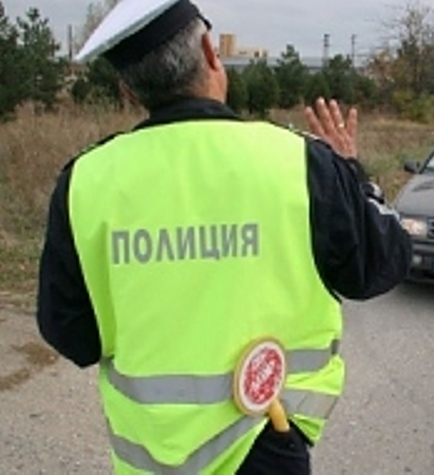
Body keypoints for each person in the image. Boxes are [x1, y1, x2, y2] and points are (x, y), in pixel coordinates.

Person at [35, 0, 411, 473]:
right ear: (212, 54)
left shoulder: (85, 181)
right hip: (267, 440)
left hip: (150, 457)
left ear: (128, 91)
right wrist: (350, 171)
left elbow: (69, 334)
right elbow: (380, 266)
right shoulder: (300, 162)